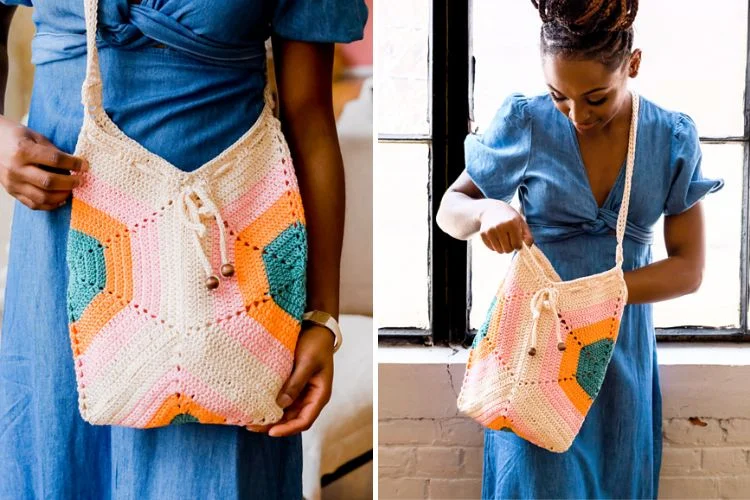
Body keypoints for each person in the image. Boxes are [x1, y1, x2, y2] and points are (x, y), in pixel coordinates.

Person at [0, 0, 367, 498]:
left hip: (221, 266)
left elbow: (310, 117)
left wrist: (323, 316)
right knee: (58, 467)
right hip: (61, 249)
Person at [436, 0, 722, 498]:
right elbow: (450, 208)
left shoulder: (670, 137)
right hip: (533, 350)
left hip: (618, 352)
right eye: (559, 96)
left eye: (595, 97)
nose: (576, 114)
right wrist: (488, 212)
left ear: (632, 65)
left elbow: (688, 270)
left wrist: (593, 298)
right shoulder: (526, 120)